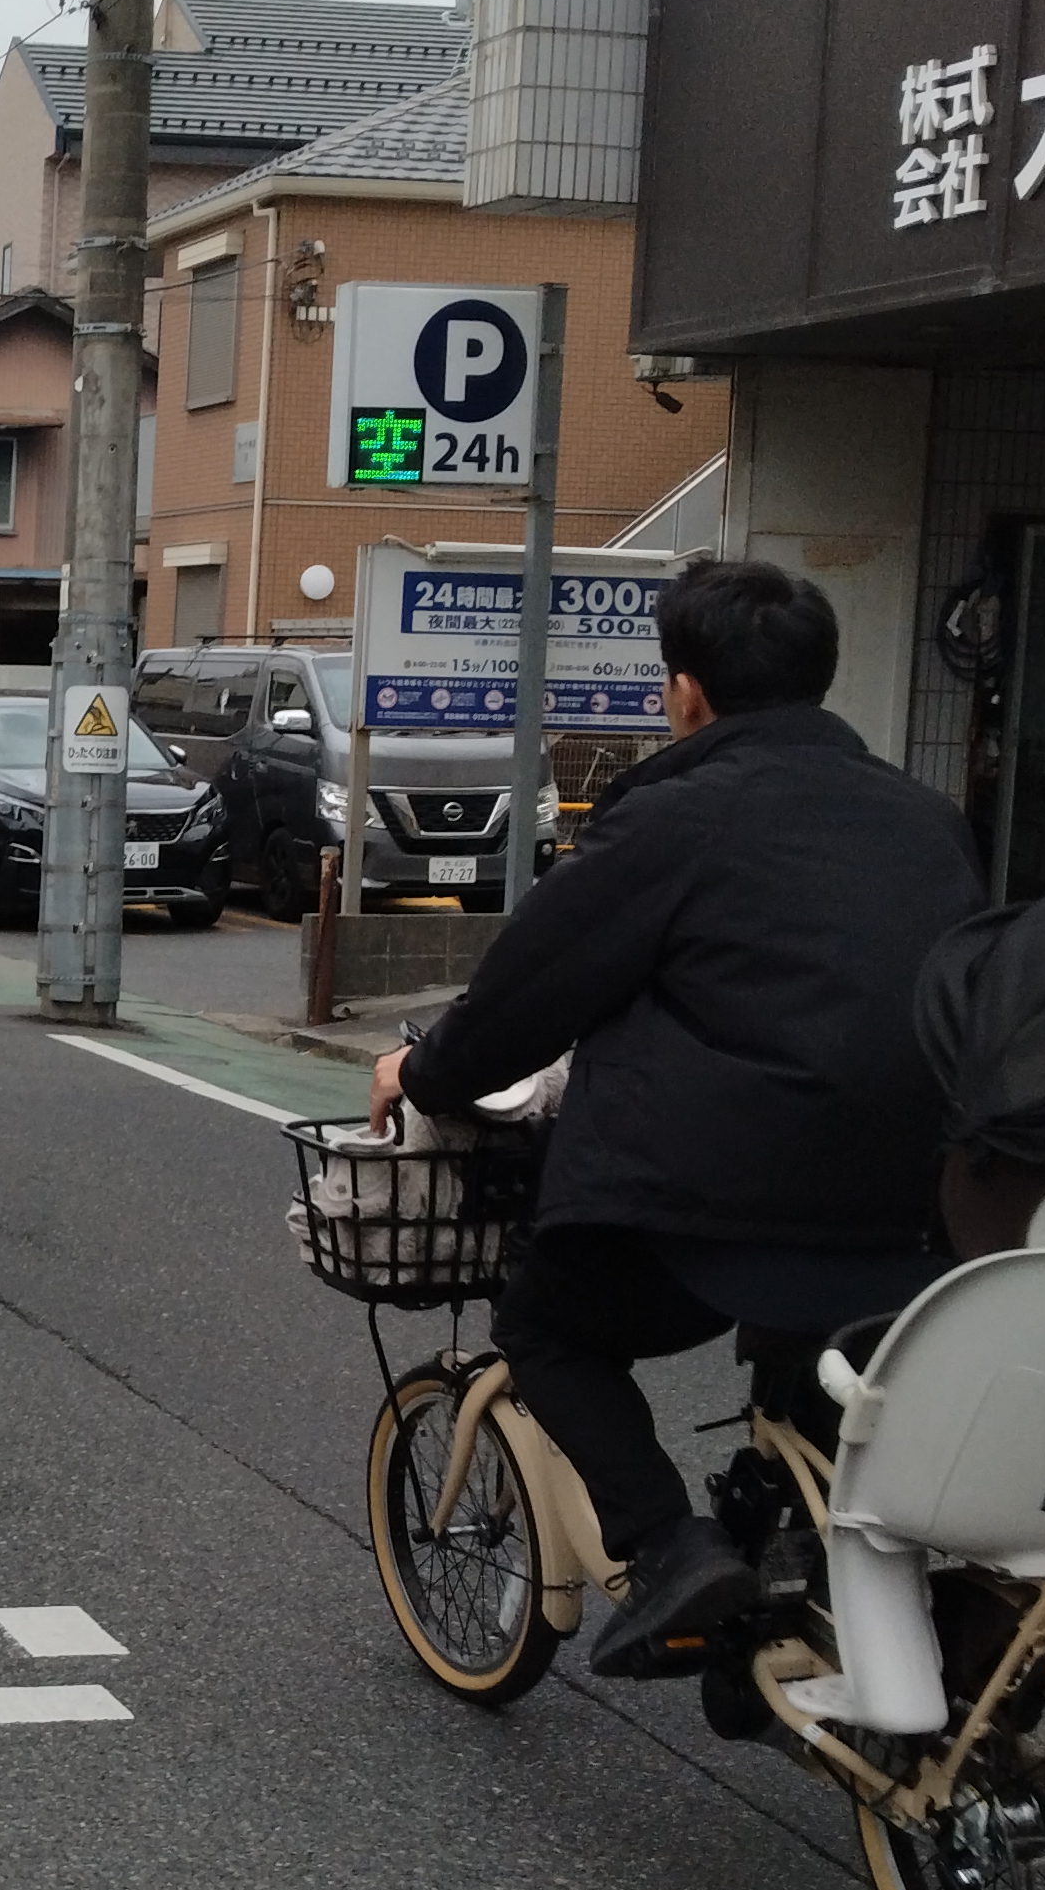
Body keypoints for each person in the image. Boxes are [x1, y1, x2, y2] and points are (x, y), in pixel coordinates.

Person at [373, 559, 985, 1676]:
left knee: (546, 1325)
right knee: (812, 1380)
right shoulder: (929, 820)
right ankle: (801, 1589)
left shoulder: (675, 814)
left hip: (721, 1203)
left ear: (687, 692)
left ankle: (667, 1545)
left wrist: (421, 1074)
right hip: (916, 1203)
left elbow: (530, 990)